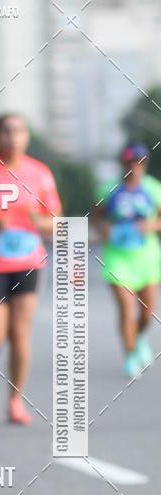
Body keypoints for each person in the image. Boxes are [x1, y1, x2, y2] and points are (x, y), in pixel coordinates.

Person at [0, 113, 62, 424]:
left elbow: (56, 222)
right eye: (6, 131)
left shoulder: (40, 173)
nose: (13, 137)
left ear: (27, 135)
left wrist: (39, 222)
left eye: (19, 130)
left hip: (28, 262)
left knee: (19, 334)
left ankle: (15, 401)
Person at [93, 143, 161, 378]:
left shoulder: (154, 189)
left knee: (147, 311)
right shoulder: (108, 190)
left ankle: (140, 337)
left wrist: (151, 225)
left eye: (140, 162)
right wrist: (104, 230)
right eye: (130, 162)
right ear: (122, 164)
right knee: (125, 308)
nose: (135, 167)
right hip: (117, 258)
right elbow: (96, 217)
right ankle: (130, 354)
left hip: (147, 258)